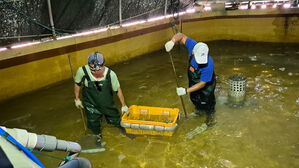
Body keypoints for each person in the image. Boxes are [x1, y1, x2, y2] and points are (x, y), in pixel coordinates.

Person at [74, 52, 129, 146]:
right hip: (91, 104)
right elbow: (77, 84)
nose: (96, 73)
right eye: (93, 70)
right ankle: (98, 136)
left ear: (103, 65)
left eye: (98, 70)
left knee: (115, 118)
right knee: (93, 122)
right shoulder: (82, 71)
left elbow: (117, 90)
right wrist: (77, 99)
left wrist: (124, 105)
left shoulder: (111, 74)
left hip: (106, 103)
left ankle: (124, 131)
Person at [165, 33, 216, 126]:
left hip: (206, 87)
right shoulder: (194, 46)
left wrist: (185, 90)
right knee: (195, 98)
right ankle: (198, 112)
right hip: (194, 82)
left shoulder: (208, 65)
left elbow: (202, 84)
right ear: (193, 52)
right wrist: (172, 41)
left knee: (208, 103)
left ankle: (209, 121)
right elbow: (180, 35)